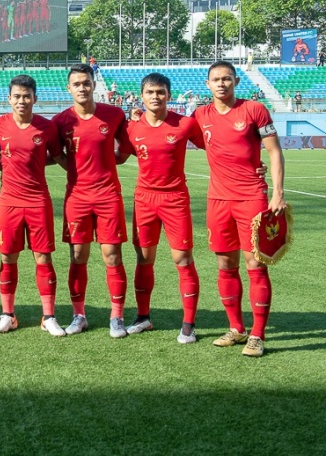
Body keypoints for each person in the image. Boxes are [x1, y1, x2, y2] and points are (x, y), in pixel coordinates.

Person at [194, 60, 285, 357]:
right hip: (217, 200)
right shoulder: (200, 115)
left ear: (236, 82)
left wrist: (277, 192)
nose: (221, 84)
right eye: (216, 79)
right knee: (225, 265)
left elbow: (273, 151)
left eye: (227, 79)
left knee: (255, 265)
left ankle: (258, 335)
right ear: (207, 84)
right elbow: (174, 129)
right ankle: (236, 328)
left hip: (251, 199)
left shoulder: (254, 110)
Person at [118, 73, 205, 343]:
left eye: (161, 92)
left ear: (168, 95)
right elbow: (119, 157)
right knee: (144, 259)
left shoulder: (185, 124)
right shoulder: (131, 127)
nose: (155, 97)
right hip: (144, 199)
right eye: (150, 92)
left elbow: (215, 147)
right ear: (141, 96)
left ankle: (188, 324)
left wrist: (252, 164)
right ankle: (143, 317)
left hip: (175, 199)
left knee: (183, 259)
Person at [52, 63, 131, 338]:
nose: (82, 88)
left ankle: (117, 316)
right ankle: (79, 314)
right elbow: (56, 155)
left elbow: (126, 150)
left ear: (94, 85)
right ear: (69, 88)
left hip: (108, 195)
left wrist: (109, 163)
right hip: (77, 197)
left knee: (112, 256)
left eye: (86, 82)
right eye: (77, 84)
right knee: (77, 256)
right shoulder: (61, 121)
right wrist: (75, 171)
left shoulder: (114, 114)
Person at [0, 75, 67, 336]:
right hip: (8, 201)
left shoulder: (47, 127)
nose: (22, 101)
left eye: (27, 96)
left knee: (43, 257)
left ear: (35, 98)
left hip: (38, 201)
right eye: (17, 96)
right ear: (8, 98)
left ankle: (48, 316)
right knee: (7, 256)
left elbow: (57, 157)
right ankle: (8, 314)